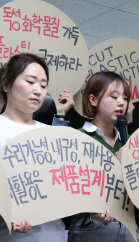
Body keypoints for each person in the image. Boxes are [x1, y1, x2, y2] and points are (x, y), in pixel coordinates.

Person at [0, 53, 74, 241]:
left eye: (43, 85)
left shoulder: (54, 135)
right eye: (31, 82)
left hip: (55, 233)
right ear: (6, 84)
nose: (38, 90)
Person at [67, 71, 139, 242]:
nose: (121, 102)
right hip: (92, 224)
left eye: (125, 97)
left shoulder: (129, 142)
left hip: (128, 224)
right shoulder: (78, 138)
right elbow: (70, 188)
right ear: (93, 100)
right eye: (114, 97)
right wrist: (116, 164)